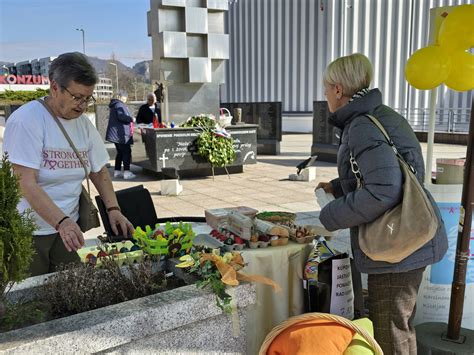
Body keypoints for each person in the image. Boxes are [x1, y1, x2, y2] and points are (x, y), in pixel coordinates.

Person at [315, 53, 448, 355]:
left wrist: (330, 214)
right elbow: (399, 172)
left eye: (326, 89)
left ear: (338, 90)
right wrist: (339, 187)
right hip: (410, 236)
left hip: (396, 246)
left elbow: (384, 189)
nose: (325, 96)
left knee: (390, 330)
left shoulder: (361, 125)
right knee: (398, 324)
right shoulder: (381, 114)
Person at [3, 52, 135, 276]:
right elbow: (24, 182)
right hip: (30, 232)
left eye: (88, 98)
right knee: (33, 301)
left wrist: (114, 209)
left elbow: (99, 172)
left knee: (71, 292)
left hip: (68, 229)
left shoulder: (83, 124)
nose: (83, 105)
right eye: (77, 97)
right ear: (55, 87)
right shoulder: (28, 120)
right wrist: (61, 222)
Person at [106, 92, 136, 179]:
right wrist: (131, 119)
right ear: (121, 97)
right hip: (121, 134)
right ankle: (127, 172)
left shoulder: (114, 104)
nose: (125, 99)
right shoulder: (119, 104)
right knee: (126, 152)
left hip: (115, 134)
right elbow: (121, 116)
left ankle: (117, 171)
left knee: (120, 152)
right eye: (124, 98)